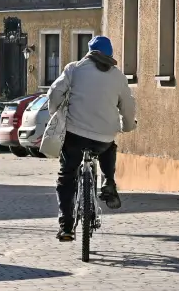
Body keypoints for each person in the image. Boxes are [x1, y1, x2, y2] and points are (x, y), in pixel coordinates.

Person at [47, 35, 137, 242]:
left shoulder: (74, 69)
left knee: (67, 176)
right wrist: (128, 125)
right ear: (110, 55)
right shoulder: (118, 77)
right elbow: (129, 106)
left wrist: (56, 113)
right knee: (108, 145)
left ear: (89, 52)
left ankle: (66, 226)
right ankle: (109, 181)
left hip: (75, 135)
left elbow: (54, 93)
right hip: (104, 137)